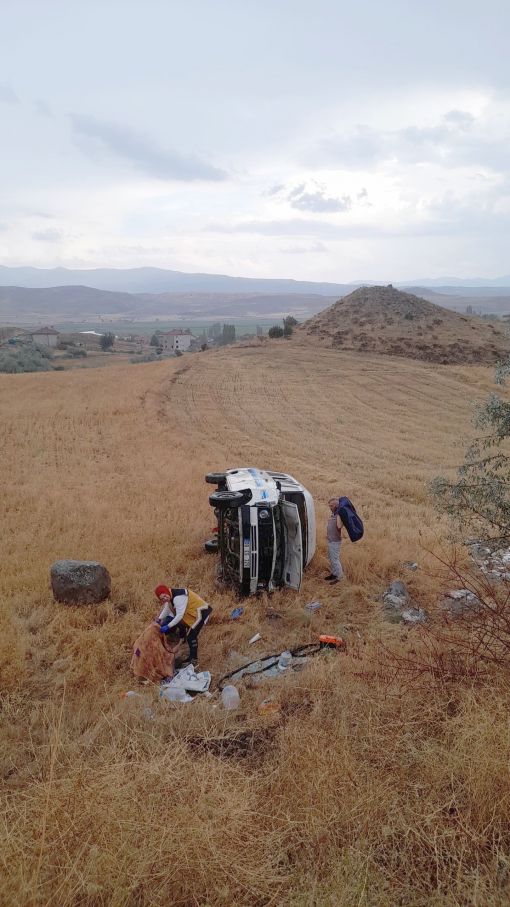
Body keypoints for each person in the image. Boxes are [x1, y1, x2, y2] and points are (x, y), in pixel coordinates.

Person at [154, 584, 212, 666]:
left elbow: (179, 616)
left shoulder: (178, 598)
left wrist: (168, 626)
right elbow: (167, 608)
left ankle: (194, 660)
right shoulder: (170, 596)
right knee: (189, 634)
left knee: (191, 635)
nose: (165, 598)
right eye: (162, 598)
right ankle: (191, 657)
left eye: (164, 596)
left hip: (201, 611)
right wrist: (159, 619)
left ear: (166, 591)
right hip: (193, 613)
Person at [325, 498, 343, 584]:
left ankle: (339, 577)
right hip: (330, 540)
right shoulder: (334, 514)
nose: (330, 507)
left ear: (336, 505)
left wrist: (339, 515)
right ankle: (334, 574)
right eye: (329, 506)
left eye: (331, 506)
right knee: (331, 559)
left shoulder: (339, 515)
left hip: (335, 541)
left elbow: (339, 526)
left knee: (335, 560)